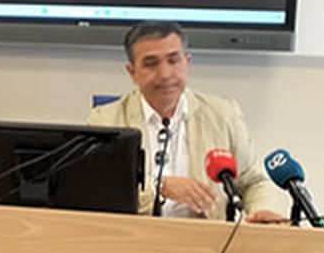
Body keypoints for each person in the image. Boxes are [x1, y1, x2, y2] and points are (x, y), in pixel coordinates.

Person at [88, 21, 283, 221]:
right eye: (151, 64)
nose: (165, 74)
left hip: (209, 242)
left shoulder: (223, 114)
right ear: (132, 73)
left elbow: (253, 182)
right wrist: (160, 186)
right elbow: (98, 190)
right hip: (134, 241)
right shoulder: (106, 120)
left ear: (187, 62)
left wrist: (261, 211)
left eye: (173, 61)